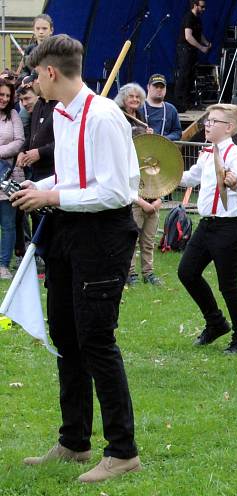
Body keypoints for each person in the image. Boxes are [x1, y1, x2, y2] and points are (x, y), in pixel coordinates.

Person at [12, 34, 141, 483]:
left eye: (34, 75)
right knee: (66, 337)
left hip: (103, 236)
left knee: (95, 341)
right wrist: (41, 190)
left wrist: (51, 193)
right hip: (67, 230)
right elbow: (73, 178)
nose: (32, 83)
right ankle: (74, 441)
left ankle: (123, 450)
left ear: (49, 72)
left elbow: (114, 191)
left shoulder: (103, 117)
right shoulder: (62, 116)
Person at [178, 103, 237, 355]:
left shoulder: (236, 155)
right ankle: (216, 322)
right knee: (187, 272)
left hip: (230, 226)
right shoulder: (207, 152)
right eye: (207, 121)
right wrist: (164, 174)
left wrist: (235, 183)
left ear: (228, 128)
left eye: (212, 122)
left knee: (228, 285)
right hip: (207, 225)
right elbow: (193, 176)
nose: (206, 125)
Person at [115, 83, 163, 287]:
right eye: (131, 96)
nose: (134, 100)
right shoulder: (118, 119)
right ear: (123, 99)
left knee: (149, 238)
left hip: (148, 179)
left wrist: (149, 137)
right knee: (132, 236)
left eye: (137, 97)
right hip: (131, 183)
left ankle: (148, 273)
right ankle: (130, 273)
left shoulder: (142, 120)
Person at [17, 71, 57, 260]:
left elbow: (63, 144)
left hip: (53, 173)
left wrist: (39, 152)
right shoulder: (40, 105)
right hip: (36, 172)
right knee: (36, 216)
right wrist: (23, 151)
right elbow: (32, 137)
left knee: (48, 218)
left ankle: (48, 255)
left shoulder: (59, 107)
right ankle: (40, 255)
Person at [0, 79, 24, 279]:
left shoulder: (14, 115)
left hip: (7, 176)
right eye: (1, 95)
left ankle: (4, 265)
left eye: (8, 96)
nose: (5, 99)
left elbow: (19, 142)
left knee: (8, 224)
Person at [174, 0, 211, 112]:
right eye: (202, 7)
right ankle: (178, 102)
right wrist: (202, 47)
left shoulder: (197, 18)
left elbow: (198, 34)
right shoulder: (189, 17)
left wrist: (206, 43)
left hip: (192, 51)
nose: (204, 9)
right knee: (184, 75)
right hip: (185, 49)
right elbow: (188, 37)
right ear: (195, 5)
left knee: (191, 76)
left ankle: (188, 102)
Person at [142, 74, 182, 141]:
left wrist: (163, 139)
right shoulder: (139, 107)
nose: (159, 89)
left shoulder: (171, 109)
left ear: (166, 89)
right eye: (156, 86)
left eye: (162, 87)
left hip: (163, 148)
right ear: (148, 87)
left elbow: (177, 132)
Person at [20, 14, 54, 79]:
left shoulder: (57, 48)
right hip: (32, 85)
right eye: (38, 28)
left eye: (44, 28)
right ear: (33, 30)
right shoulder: (29, 49)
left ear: (51, 30)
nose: (41, 32)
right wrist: (25, 78)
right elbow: (25, 71)